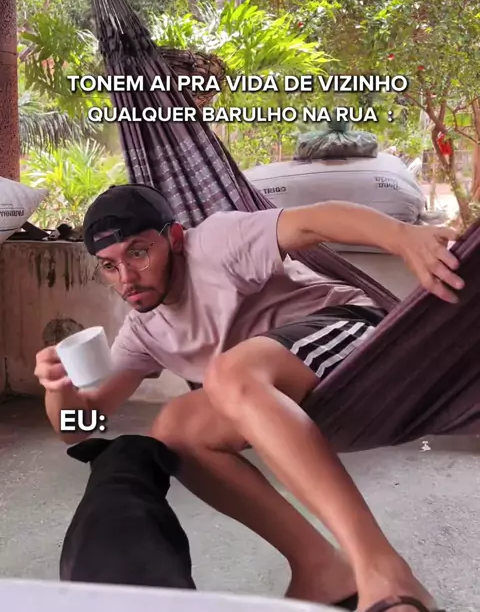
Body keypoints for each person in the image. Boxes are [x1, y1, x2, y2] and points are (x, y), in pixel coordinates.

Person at [35, 184, 461, 612]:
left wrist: (402, 237)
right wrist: (59, 389)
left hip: (352, 337)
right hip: (267, 390)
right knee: (175, 431)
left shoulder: (215, 245)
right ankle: (320, 567)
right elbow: (82, 427)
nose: (127, 278)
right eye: (110, 266)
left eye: (139, 253)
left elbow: (313, 221)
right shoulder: (144, 332)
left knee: (226, 374)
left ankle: (383, 570)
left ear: (175, 238)